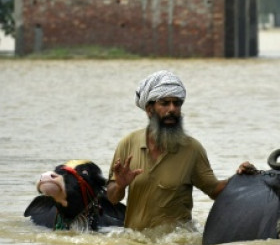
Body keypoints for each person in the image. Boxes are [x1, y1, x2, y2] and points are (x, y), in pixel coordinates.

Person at [106, 70, 256, 231]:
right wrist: (120, 185)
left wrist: (242, 178)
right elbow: (112, 198)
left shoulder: (192, 149)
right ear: (149, 110)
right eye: (164, 103)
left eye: (177, 103)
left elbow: (215, 191)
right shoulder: (128, 144)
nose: (172, 109)